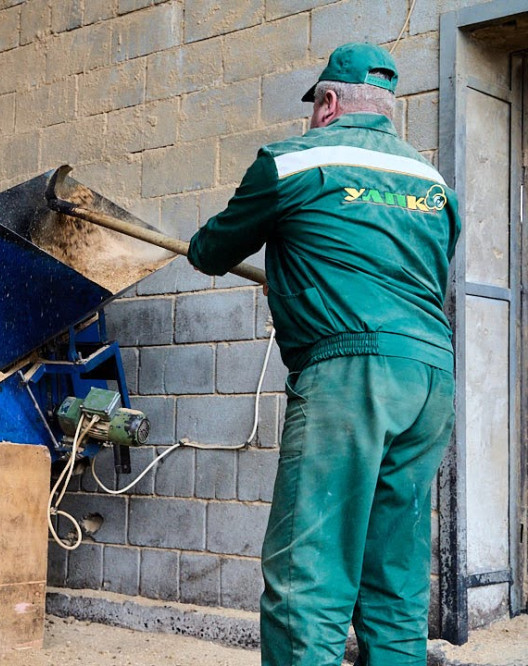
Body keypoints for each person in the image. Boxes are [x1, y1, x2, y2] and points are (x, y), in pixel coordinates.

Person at [186, 43, 462, 665]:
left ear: (329, 102)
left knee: (308, 575)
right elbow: (422, 270)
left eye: (315, 105)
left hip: (350, 376)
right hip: (429, 379)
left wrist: (266, 260)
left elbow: (211, 251)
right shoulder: (434, 184)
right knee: (394, 576)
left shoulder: (292, 161)